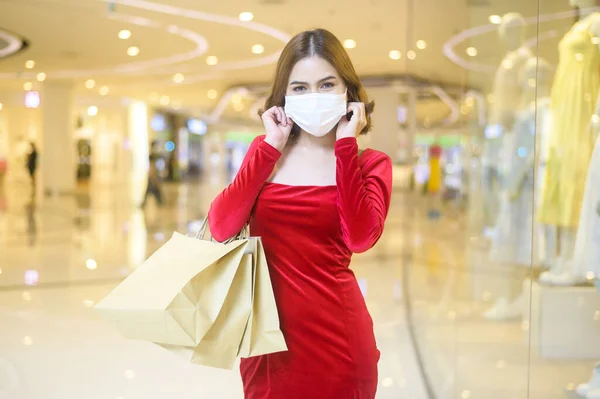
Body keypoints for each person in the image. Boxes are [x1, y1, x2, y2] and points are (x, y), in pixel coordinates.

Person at [208, 29, 392, 399]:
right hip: (267, 341)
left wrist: (344, 146)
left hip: (339, 341)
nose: (314, 96)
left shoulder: (369, 164)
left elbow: (360, 238)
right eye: (300, 88)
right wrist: (270, 148)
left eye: (326, 85)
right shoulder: (266, 152)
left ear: (347, 93)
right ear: (284, 96)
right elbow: (221, 226)